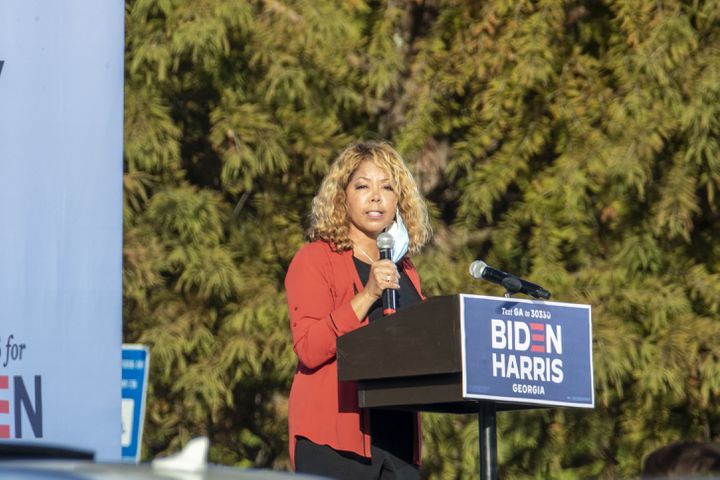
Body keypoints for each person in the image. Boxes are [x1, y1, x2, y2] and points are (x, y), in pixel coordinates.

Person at [285, 141, 433, 479]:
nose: (376, 197)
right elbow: (309, 347)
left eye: (387, 187)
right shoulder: (315, 259)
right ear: (342, 196)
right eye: (363, 186)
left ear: (400, 200)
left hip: (398, 442)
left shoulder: (405, 269)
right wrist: (367, 295)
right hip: (334, 439)